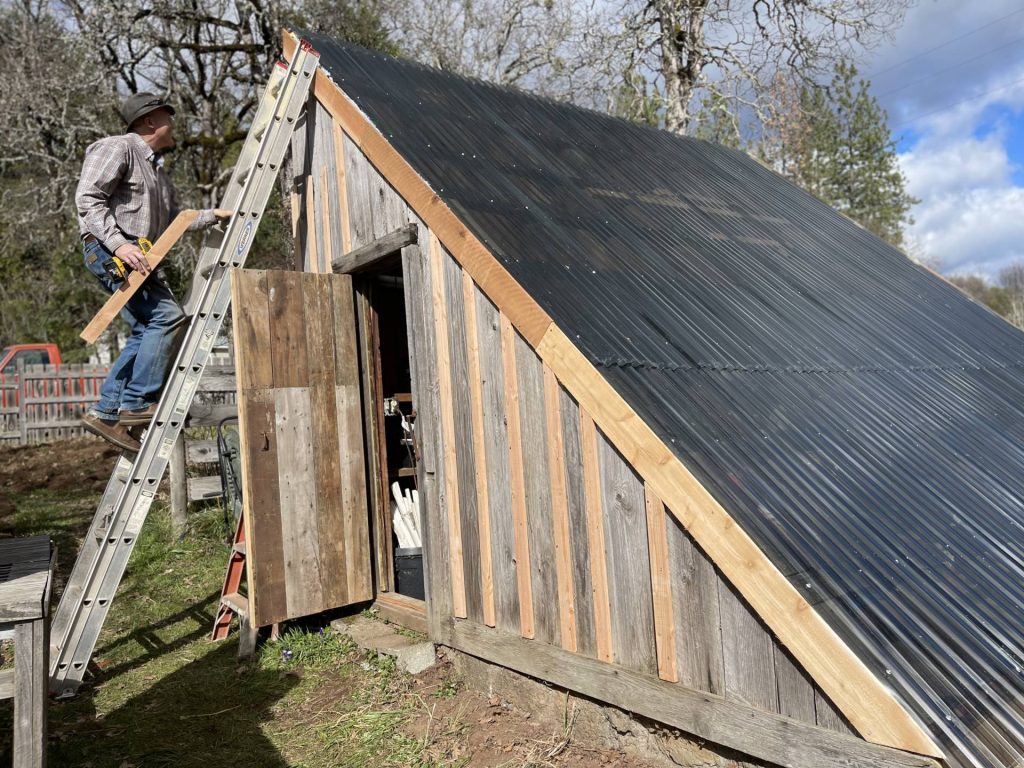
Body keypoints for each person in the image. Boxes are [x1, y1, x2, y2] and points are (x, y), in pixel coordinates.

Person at [77, 92, 230, 451]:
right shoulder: (118, 148)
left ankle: (106, 413)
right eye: (168, 117)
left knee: (147, 326)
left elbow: (175, 221)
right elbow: (87, 198)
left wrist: (211, 217)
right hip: (112, 252)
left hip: (138, 256)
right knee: (167, 316)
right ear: (148, 121)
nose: (174, 124)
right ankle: (136, 402)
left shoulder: (156, 170)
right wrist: (120, 245)